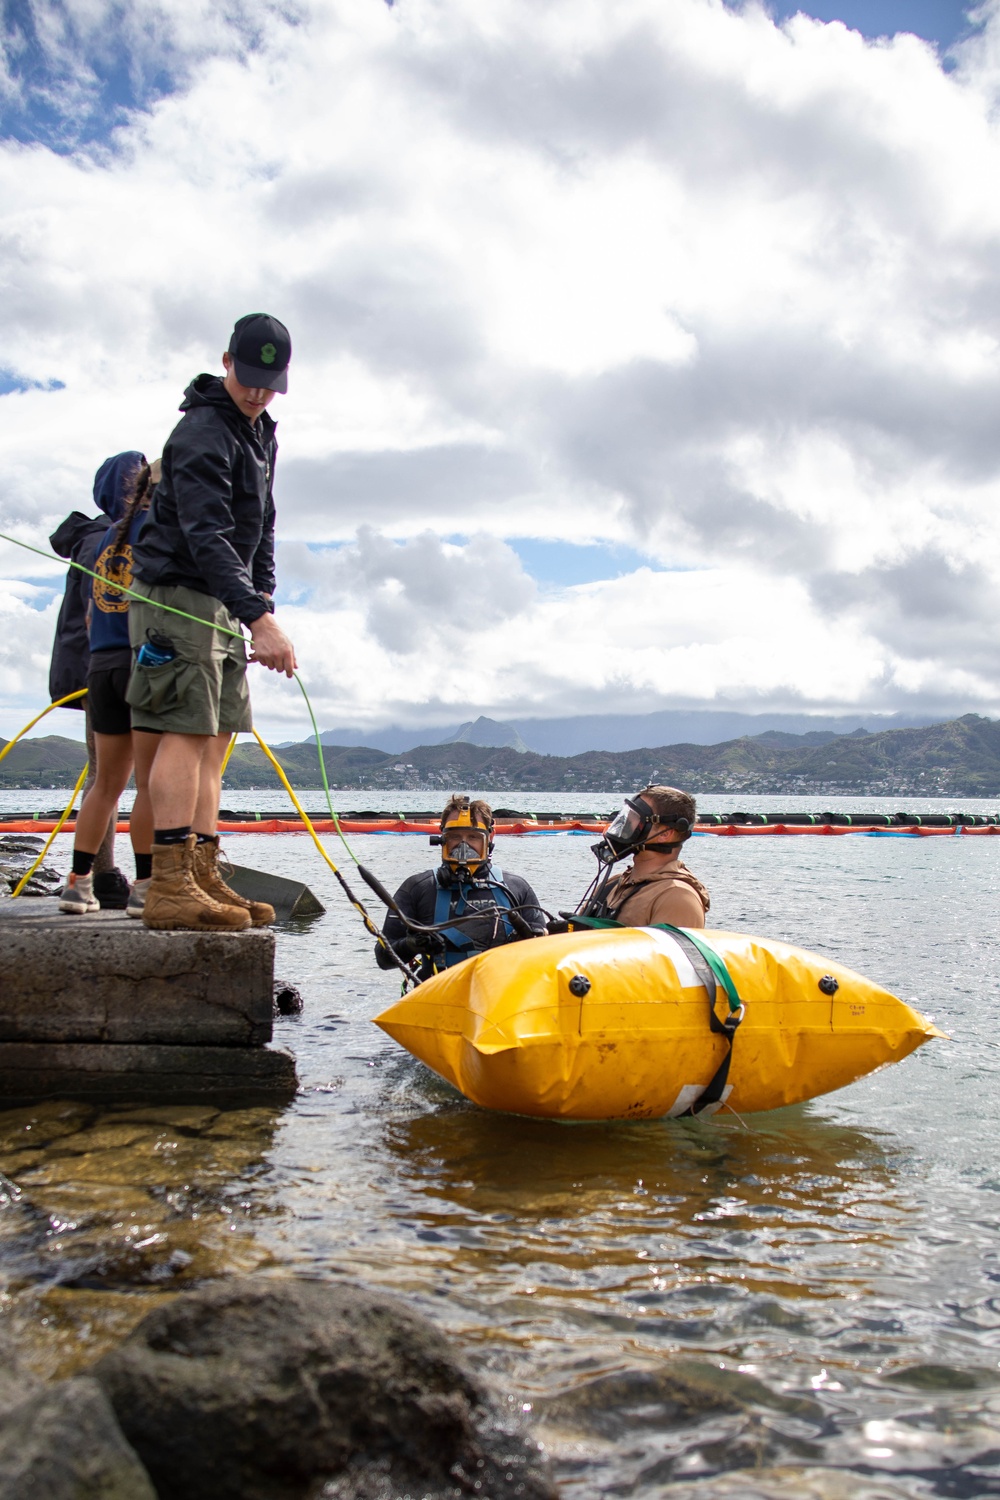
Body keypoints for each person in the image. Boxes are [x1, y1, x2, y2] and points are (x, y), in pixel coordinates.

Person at [126, 313, 297, 932]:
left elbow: (263, 526)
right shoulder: (201, 432)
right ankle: (168, 884)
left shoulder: (260, 433)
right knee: (186, 729)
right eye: (249, 378)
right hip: (178, 595)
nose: (257, 392)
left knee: (217, 736)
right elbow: (207, 534)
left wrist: (264, 601)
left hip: (225, 601)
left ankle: (202, 872)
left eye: (270, 383)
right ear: (226, 362)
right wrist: (259, 618)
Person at [58, 458, 162, 918]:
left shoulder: (100, 538)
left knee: (105, 784)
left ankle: (77, 885)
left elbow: (85, 612)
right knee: (151, 785)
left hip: (100, 665)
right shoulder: (159, 533)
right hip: (142, 663)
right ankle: (143, 887)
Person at [374, 795, 547, 979]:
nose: (463, 846)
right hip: (439, 998)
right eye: (455, 837)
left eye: (473, 837)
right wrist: (410, 945)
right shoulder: (418, 888)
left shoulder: (515, 888)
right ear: (442, 839)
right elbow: (383, 959)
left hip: (498, 998)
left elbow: (545, 955)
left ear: (490, 838)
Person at [579, 784, 709, 929]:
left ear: (664, 834)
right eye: (627, 815)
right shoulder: (613, 884)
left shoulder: (676, 896)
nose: (626, 823)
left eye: (635, 818)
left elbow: (670, 951)